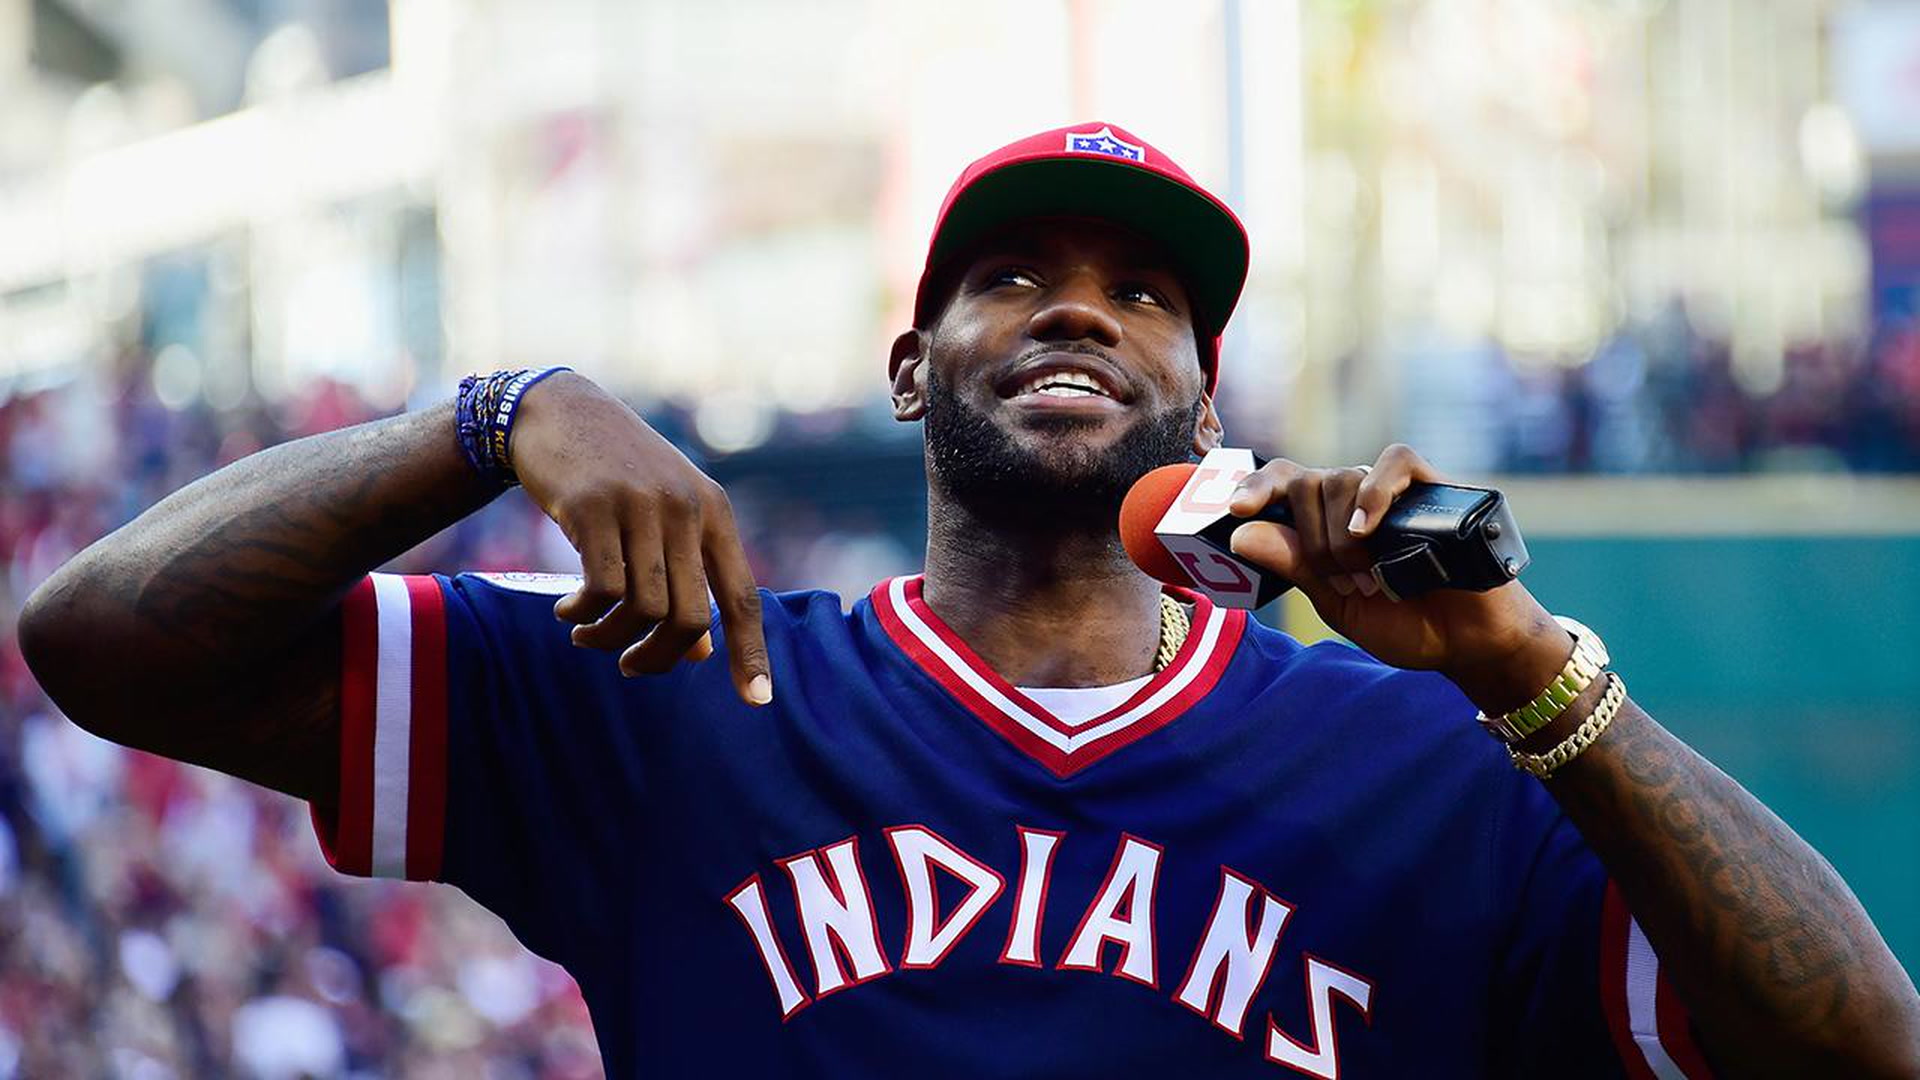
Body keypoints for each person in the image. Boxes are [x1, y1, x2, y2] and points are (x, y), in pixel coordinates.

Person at [19, 122, 1919, 1078]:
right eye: (1012, 274)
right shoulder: (676, 679)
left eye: (1145, 289)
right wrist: (491, 417)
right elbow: (102, 639)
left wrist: (1523, 666)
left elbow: (1858, 1052)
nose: (1081, 304)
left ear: (1206, 399)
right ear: (914, 368)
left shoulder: (1441, 766)